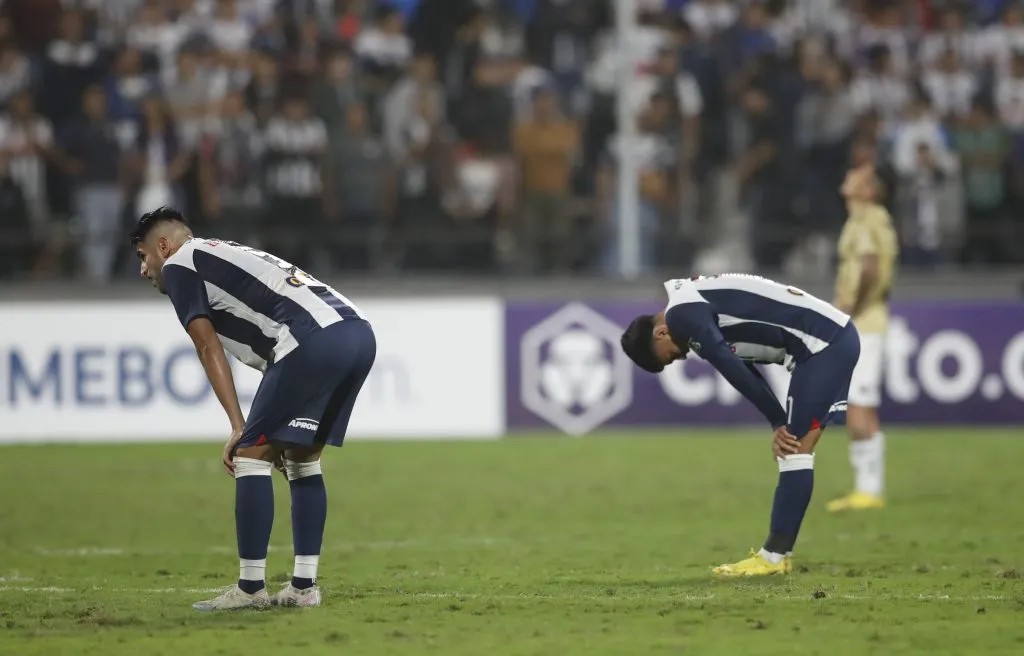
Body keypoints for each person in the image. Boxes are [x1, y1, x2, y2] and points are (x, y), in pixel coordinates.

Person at [129, 206, 377, 610]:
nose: (144, 269)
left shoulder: (180, 263)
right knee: (301, 459)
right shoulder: (222, 252)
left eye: (143, 257)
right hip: (356, 333)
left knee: (250, 456)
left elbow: (207, 347)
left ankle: (249, 590)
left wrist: (238, 426)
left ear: (162, 246)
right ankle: (302, 587)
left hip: (310, 339)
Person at [620, 273, 860, 576]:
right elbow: (738, 358)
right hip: (830, 339)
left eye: (670, 358)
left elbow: (729, 366)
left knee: (793, 451)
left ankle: (773, 558)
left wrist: (777, 421)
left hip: (823, 345)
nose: (680, 357)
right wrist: (778, 418)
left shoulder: (682, 316)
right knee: (797, 449)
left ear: (661, 334)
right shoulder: (691, 303)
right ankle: (778, 555)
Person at [826, 164, 898, 512]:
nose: (846, 180)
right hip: (867, 321)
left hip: (864, 324)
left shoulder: (867, 219)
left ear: (867, 191)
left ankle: (868, 490)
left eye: (855, 177)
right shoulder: (868, 218)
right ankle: (869, 487)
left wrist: (852, 308)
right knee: (861, 406)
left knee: (857, 405)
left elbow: (869, 267)